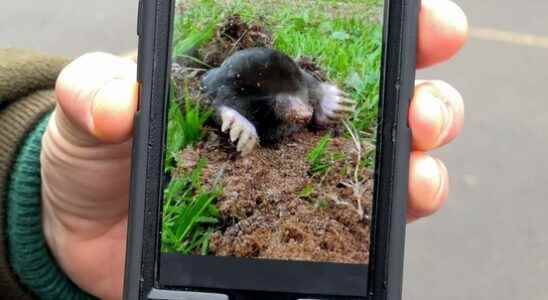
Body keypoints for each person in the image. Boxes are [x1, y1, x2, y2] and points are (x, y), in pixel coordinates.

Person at [0, 0, 468, 299]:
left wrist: (320, 96)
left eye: (302, 102)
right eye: (295, 105)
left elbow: (303, 90)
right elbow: (212, 97)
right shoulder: (230, 86)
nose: (302, 116)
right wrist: (228, 119)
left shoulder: (292, 80)